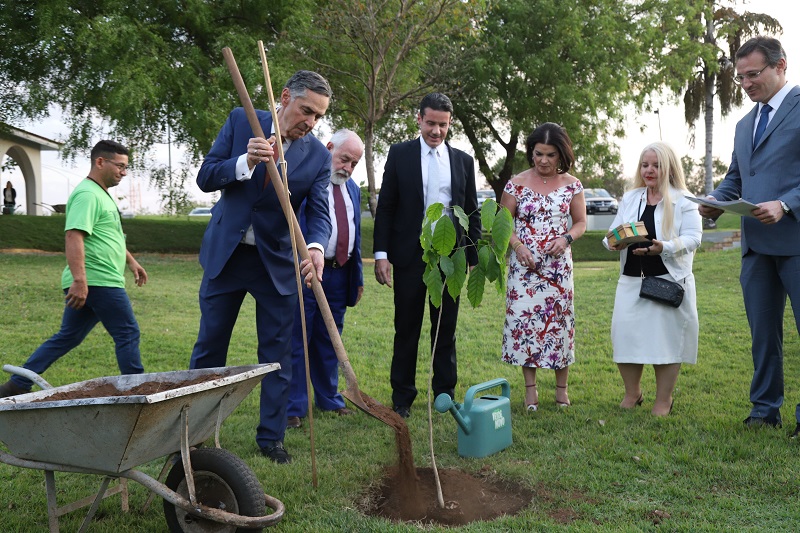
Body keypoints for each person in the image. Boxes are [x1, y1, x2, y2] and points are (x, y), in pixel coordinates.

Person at [189, 71, 333, 463]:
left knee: (277, 356)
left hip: (277, 263)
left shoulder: (318, 156)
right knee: (209, 348)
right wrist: (244, 161)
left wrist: (317, 248)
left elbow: (319, 213)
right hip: (228, 254)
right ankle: (194, 434)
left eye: (318, 116)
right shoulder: (241, 121)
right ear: (284, 97)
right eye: (306, 111)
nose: (310, 122)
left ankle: (271, 437)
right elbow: (206, 176)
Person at [698, 36, 800, 436]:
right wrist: (714, 201)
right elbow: (735, 179)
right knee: (763, 334)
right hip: (755, 248)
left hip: (796, 242)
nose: (745, 84)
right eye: (740, 78)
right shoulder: (744, 124)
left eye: (753, 75)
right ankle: (764, 410)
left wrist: (787, 204)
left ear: (781, 66)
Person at [0, 140, 147, 397]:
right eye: (120, 166)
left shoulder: (100, 194)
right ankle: (135, 391)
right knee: (127, 332)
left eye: (126, 167)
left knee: (68, 337)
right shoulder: (87, 194)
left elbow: (106, 235)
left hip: (95, 280)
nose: (124, 172)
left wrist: (131, 261)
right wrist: (80, 280)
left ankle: (16, 385)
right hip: (97, 280)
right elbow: (74, 236)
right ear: (100, 162)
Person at [373, 92, 481, 419]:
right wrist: (381, 254)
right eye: (431, 123)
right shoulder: (399, 154)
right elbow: (387, 207)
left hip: (450, 259)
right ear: (419, 119)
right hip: (409, 257)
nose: (436, 130)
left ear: (450, 124)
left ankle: (444, 394)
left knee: (444, 329)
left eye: (443, 124)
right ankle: (402, 397)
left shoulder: (463, 161)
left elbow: (472, 210)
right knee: (406, 328)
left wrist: (471, 255)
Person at [604, 142, 701, 416]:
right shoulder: (631, 197)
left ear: (668, 168)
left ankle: (663, 400)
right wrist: (613, 243)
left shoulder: (684, 199)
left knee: (665, 341)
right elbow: (611, 233)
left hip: (668, 279)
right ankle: (633, 393)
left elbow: (695, 238)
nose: (649, 170)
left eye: (656, 165)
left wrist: (664, 247)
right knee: (624, 336)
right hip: (631, 279)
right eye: (645, 165)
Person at [500, 123, 586, 411]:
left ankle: (561, 391)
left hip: (558, 271)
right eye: (539, 154)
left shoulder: (572, 185)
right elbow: (502, 226)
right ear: (531, 153)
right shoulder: (515, 184)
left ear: (561, 155)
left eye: (550, 155)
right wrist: (518, 247)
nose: (544, 160)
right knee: (526, 325)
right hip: (524, 271)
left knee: (559, 326)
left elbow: (581, 223)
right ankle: (530, 392)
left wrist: (566, 239)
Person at [286, 129, 364, 429]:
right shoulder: (305, 181)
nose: (347, 167)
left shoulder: (353, 189)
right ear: (329, 148)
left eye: (354, 164)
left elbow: (354, 237)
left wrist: (356, 279)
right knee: (297, 338)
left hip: (339, 273)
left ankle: (329, 398)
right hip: (305, 273)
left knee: (330, 339)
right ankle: (293, 406)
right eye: (344, 159)